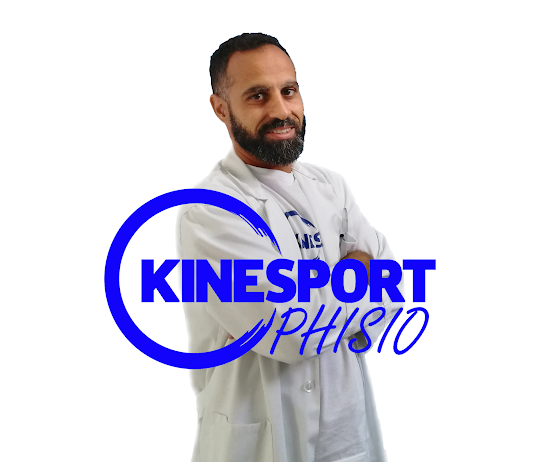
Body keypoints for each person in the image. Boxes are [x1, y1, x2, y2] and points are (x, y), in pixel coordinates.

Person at [177, 33, 403, 462]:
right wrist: (357, 273)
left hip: (349, 435)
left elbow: (392, 284)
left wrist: (314, 297)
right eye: (257, 95)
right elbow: (290, 331)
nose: (281, 110)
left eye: (289, 90)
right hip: (261, 441)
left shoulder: (331, 186)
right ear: (221, 108)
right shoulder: (211, 211)